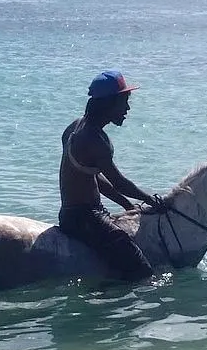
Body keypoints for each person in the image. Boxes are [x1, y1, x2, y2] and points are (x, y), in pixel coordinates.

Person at [58, 70, 165, 282]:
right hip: (85, 217)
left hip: (76, 214)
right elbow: (119, 182)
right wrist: (150, 200)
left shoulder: (75, 126)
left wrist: (127, 205)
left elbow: (94, 179)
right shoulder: (95, 140)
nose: (127, 109)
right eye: (124, 102)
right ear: (109, 104)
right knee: (142, 271)